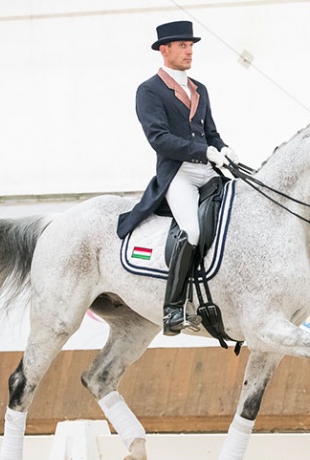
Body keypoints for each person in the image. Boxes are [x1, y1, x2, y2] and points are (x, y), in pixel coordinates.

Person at [117, 20, 238, 336]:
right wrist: (204, 152)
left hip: (208, 172)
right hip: (179, 175)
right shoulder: (149, 91)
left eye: (191, 46)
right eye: (183, 46)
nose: (189, 51)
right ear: (164, 50)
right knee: (193, 230)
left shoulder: (200, 89)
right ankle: (172, 310)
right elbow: (159, 139)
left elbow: (211, 132)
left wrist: (224, 148)